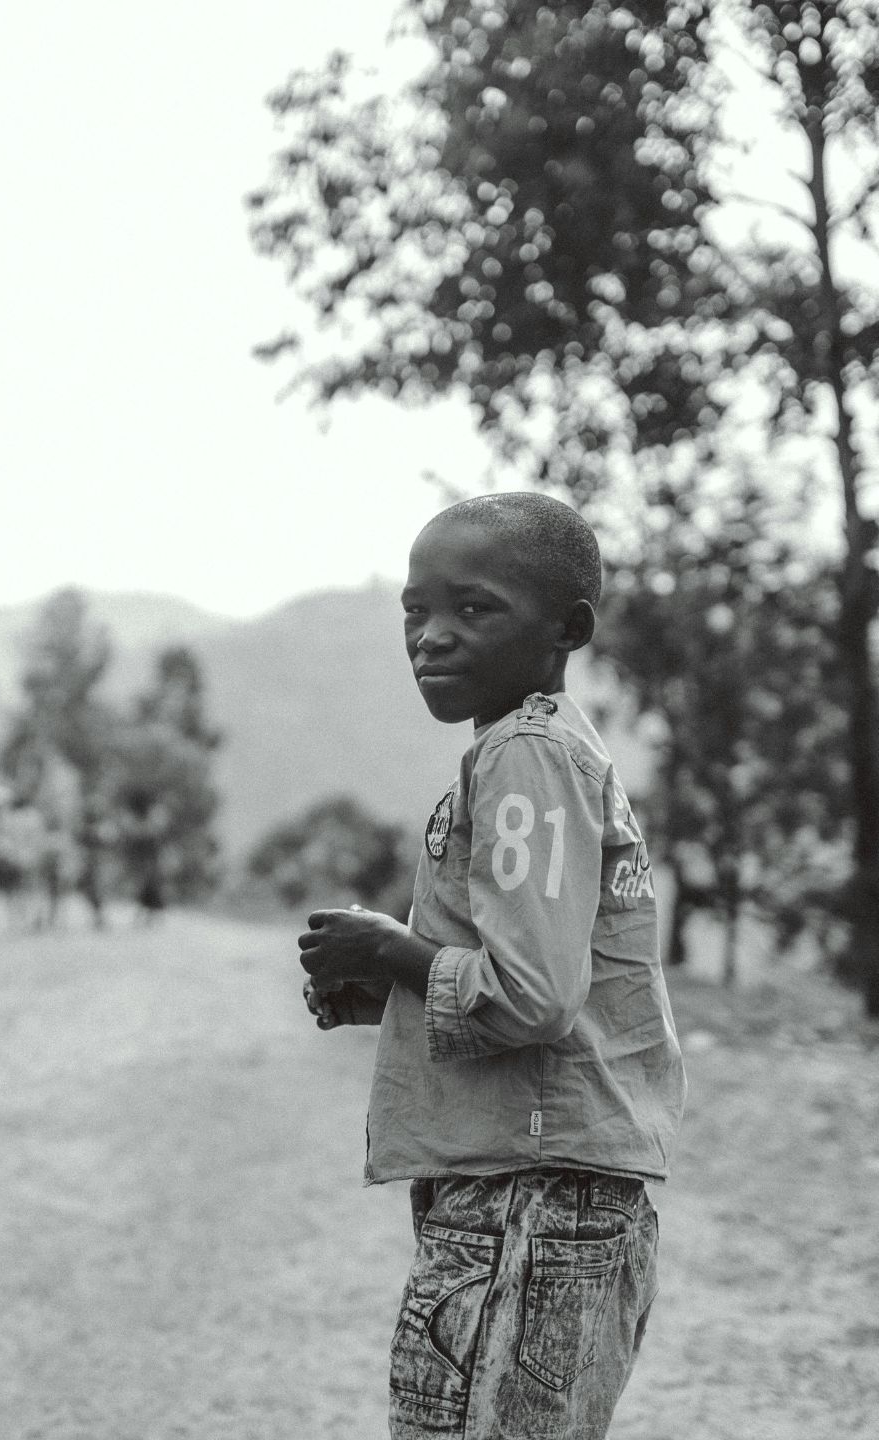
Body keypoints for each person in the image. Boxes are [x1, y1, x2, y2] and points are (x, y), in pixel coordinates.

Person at [298, 492, 686, 1440]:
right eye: (414, 610)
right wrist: (392, 982)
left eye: (473, 610)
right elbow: (554, 974)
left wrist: (392, 947)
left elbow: (534, 996)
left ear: (568, 629)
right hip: (548, 1191)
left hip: (530, 1197)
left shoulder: (524, 754)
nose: (431, 637)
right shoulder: (546, 749)